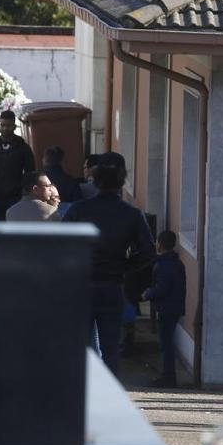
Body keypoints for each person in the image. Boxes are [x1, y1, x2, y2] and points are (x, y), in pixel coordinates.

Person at [63, 152, 155, 375]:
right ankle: (108, 400)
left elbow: (61, 244)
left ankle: (80, 399)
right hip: (112, 285)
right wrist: (124, 266)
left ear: (95, 178)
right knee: (110, 350)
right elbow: (148, 252)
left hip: (82, 285)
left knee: (81, 350)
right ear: (122, 179)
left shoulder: (78, 210)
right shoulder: (132, 215)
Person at [143, 230, 187, 388]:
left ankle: (169, 377)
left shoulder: (166, 264)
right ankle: (168, 376)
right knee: (167, 343)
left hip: (167, 308)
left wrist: (148, 293)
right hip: (172, 307)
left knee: (166, 344)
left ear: (160, 244)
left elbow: (162, 288)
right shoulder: (175, 262)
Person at [0, 110, 35, 221]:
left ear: (14, 127)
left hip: (16, 197)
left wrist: (22, 186)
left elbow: (30, 171)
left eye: (8, 125)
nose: (5, 128)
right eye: (2, 125)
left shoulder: (23, 148)